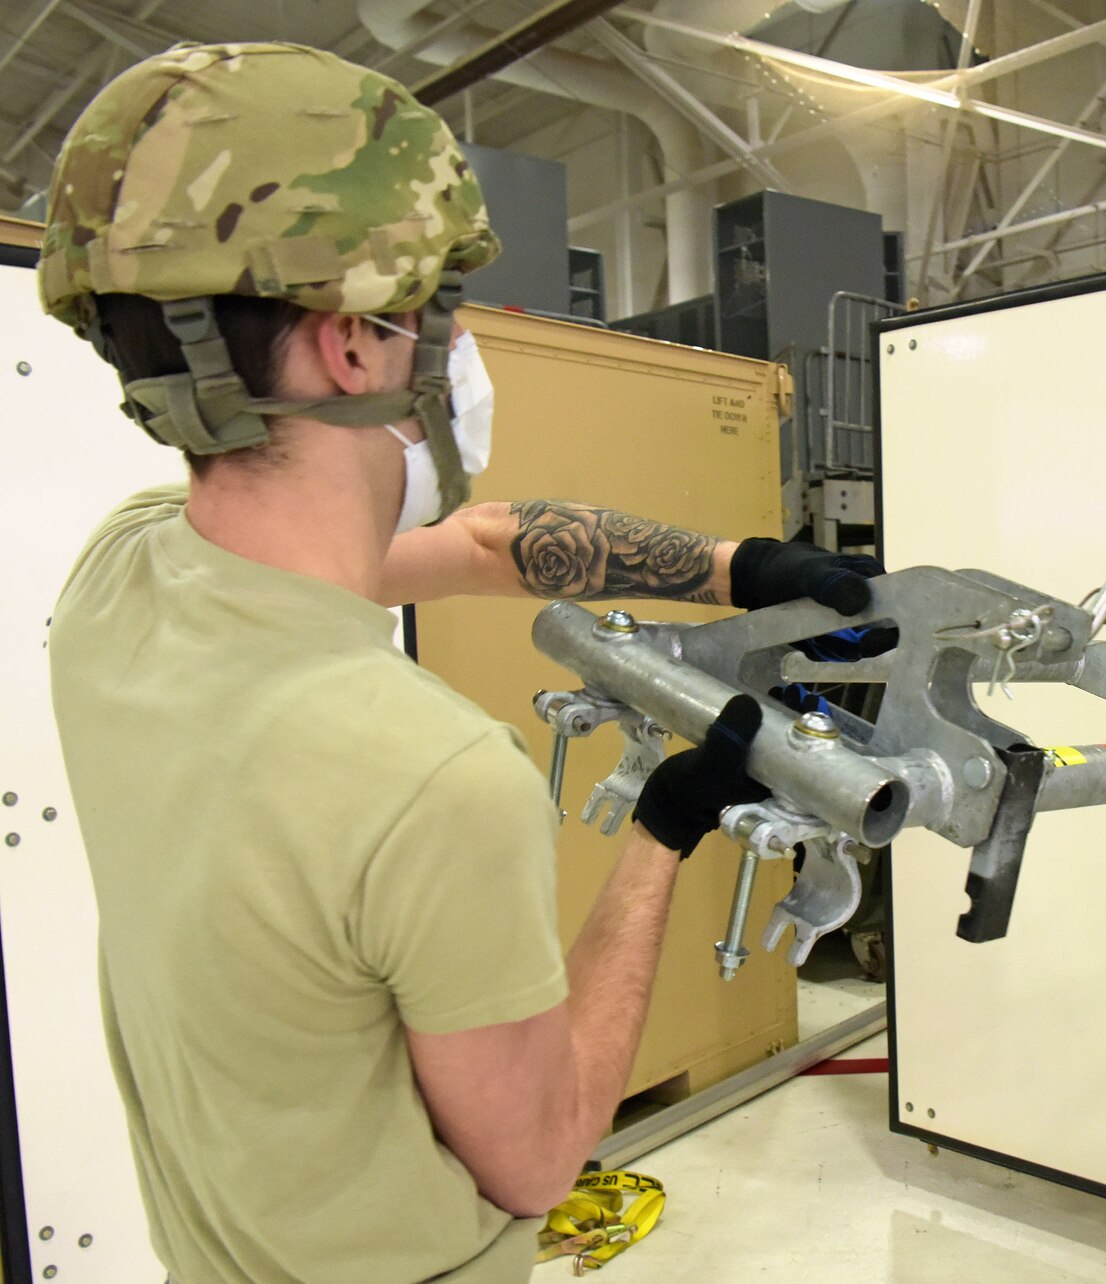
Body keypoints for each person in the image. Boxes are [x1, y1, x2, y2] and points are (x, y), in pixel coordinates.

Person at [39, 43, 877, 1282]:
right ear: (352, 348)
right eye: (441, 308)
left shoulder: (121, 580)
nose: (457, 347)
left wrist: (742, 567)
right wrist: (663, 830)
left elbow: (483, 546)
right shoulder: (428, 775)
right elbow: (538, 1161)